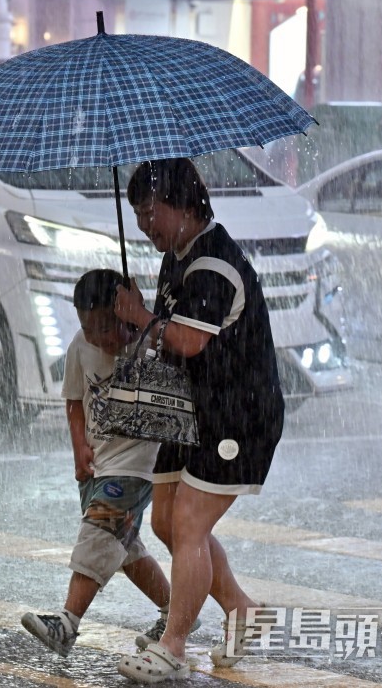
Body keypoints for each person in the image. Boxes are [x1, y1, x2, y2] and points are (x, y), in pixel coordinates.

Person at [112, 158, 284, 683]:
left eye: (150, 213)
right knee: (166, 521)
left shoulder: (212, 264)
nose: (145, 225)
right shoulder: (180, 253)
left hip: (240, 415)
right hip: (194, 411)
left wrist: (142, 317)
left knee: (188, 522)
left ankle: (174, 646)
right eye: (137, 215)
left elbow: (187, 339)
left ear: (185, 205)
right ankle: (242, 611)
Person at [20, 269, 198, 658]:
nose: (101, 338)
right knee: (123, 547)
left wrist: (143, 322)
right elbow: (72, 401)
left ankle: (67, 623)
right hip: (97, 465)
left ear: (125, 314)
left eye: (108, 327)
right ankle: (175, 611)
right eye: (90, 328)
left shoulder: (151, 345)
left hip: (137, 468)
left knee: (100, 532)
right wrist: (78, 447)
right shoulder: (79, 348)